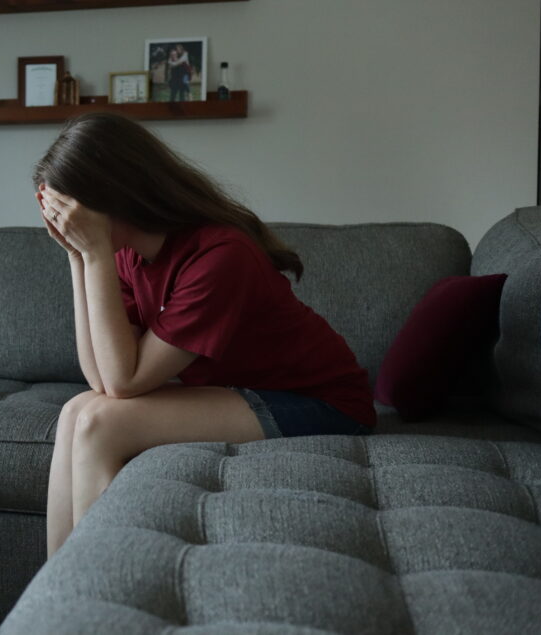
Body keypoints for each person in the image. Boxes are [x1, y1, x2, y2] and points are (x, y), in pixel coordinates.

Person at [33, 113, 375, 558]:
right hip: (245, 391)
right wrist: (78, 258)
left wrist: (93, 252)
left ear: (112, 195)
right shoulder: (129, 257)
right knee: (76, 410)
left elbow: (123, 382)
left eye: (70, 212)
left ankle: (96, 594)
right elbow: (99, 379)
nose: (67, 224)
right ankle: (58, 605)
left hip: (322, 404)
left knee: (100, 424)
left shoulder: (220, 255)